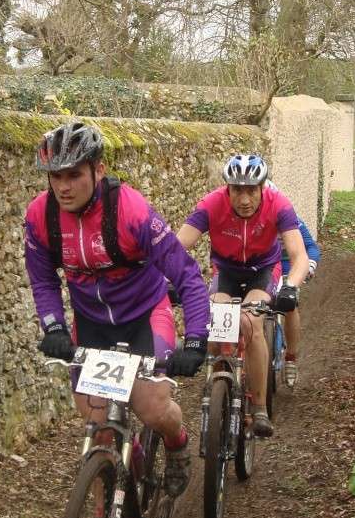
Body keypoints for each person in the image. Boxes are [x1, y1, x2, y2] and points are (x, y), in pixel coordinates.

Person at [24, 120, 210, 497]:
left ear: (99, 169)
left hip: (144, 316)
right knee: (100, 429)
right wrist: (54, 327)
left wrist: (195, 342)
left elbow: (188, 276)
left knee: (153, 408)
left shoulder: (131, 211)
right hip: (92, 324)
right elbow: (43, 280)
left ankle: (176, 443)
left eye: (74, 174)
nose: (63, 186)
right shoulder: (41, 217)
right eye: (55, 176)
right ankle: (108, 501)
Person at [176, 152, 308, 437]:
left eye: (251, 191)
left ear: (263, 188)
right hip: (226, 271)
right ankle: (217, 385)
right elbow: (175, 247)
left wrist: (290, 286)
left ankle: (259, 407)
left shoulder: (279, 205)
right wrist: (165, 278)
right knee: (217, 326)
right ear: (228, 189)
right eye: (237, 190)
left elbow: (298, 255)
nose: (244, 199)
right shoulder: (211, 205)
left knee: (251, 323)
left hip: (263, 270)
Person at [278, 215, 320, 386]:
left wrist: (309, 265)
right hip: (262, 271)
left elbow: (311, 246)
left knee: (290, 306)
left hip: (288, 271)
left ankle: (290, 359)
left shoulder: (291, 219)